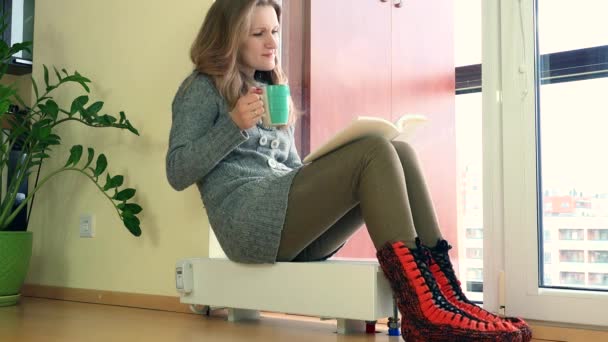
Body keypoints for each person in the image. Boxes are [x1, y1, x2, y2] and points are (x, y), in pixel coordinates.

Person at [166, 1, 531, 341]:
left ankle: (446, 297)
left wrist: (320, 170)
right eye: (258, 33)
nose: (271, 43)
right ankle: (422, 309)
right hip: (247, 223)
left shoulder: (271, 88)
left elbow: (289, 168)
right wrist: (233, 125)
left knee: (397, 149)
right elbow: (177, 171)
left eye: (275, 31)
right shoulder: (201, 88)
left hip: (285, 217)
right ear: (229, 36)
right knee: (373, 151)